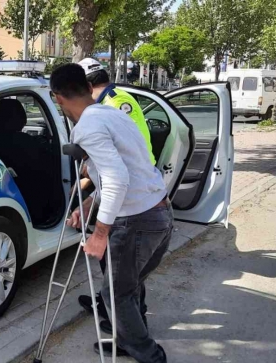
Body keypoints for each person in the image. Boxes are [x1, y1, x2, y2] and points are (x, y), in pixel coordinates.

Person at [50, 63, 171, 362]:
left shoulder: (88, 128)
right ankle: (129, 340)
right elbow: (124, 170)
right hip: (159, 213)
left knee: (115, 295)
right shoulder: (113, 114)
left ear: (57, 98)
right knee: (128, 287)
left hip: (136, 221)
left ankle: (150, 355)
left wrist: (101, 233)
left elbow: (118, 178)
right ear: (88, 88)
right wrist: (89, 204)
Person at [75, 58, 158, 331]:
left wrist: (90, 178)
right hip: (123, 184)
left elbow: (130, 154)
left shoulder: (113, 103)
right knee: (120, 265)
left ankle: (123, 319)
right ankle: (109, 304)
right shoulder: (108, 102)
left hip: (128, 188)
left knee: (121, 262)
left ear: (87, 86)